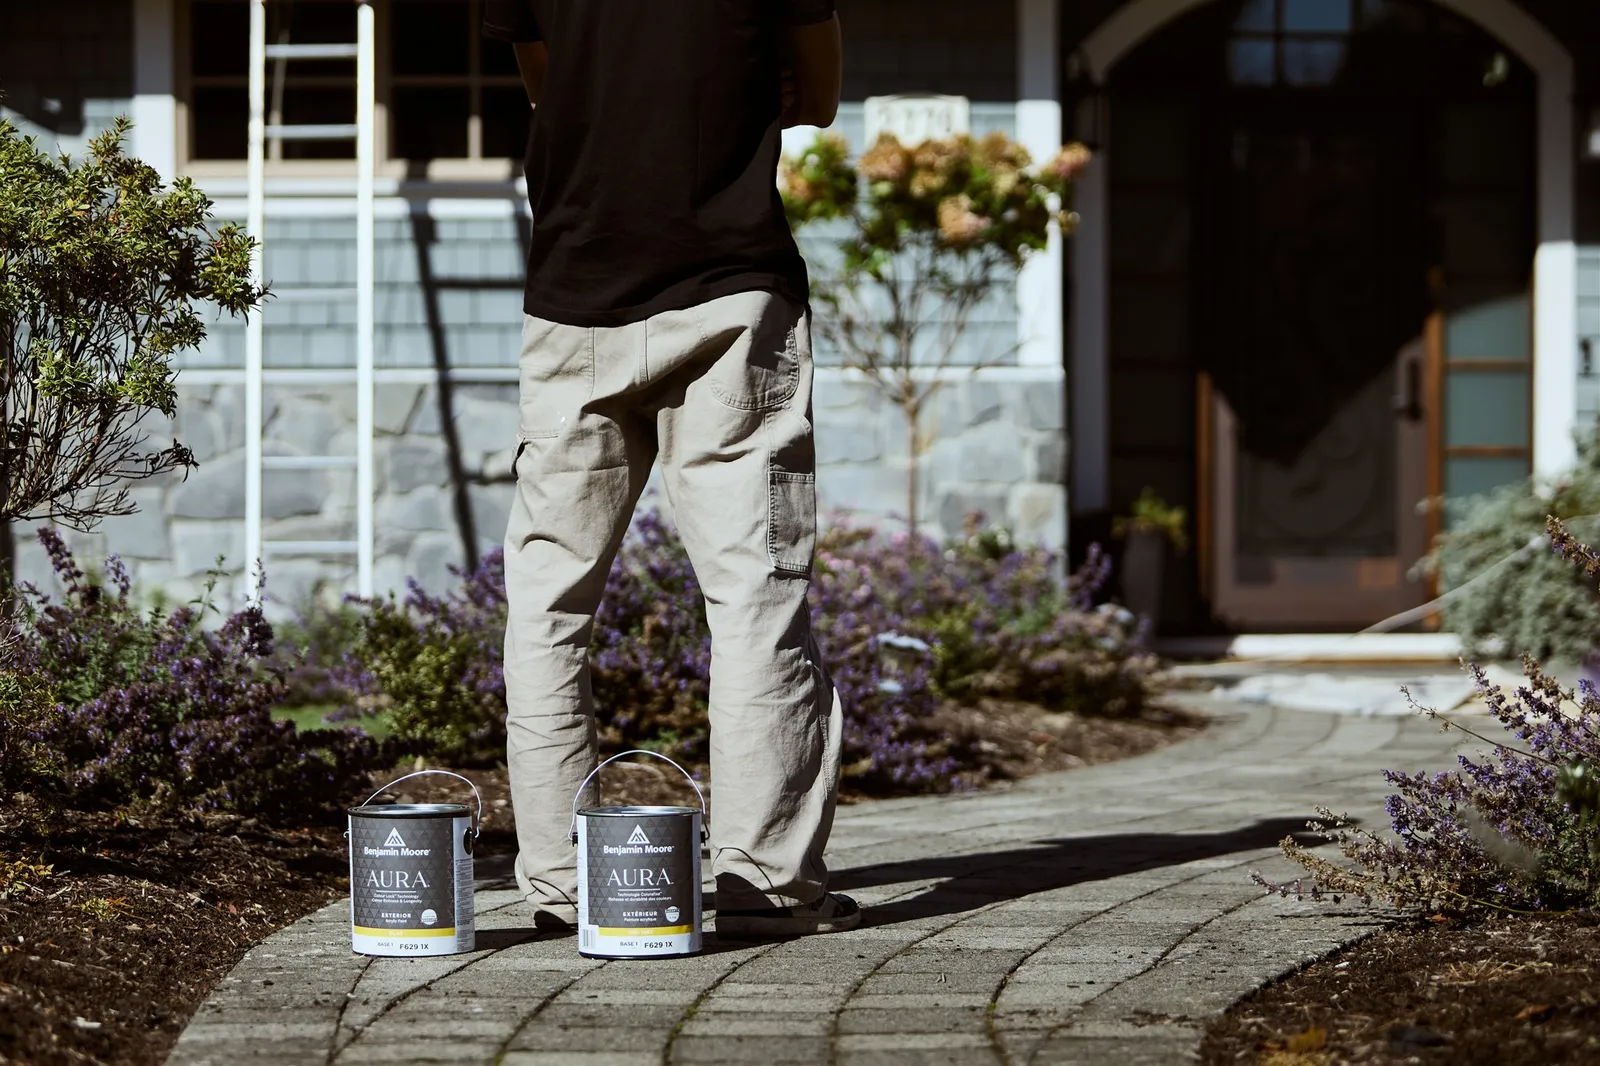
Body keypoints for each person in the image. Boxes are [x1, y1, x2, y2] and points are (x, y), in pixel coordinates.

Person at [482, 0, 858, 938]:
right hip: (729, 296)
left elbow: (550, 88)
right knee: (754, 595)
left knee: (549, 602)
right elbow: (817, 99)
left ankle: (562, 886)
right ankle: (765, 885)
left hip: (574, 299)